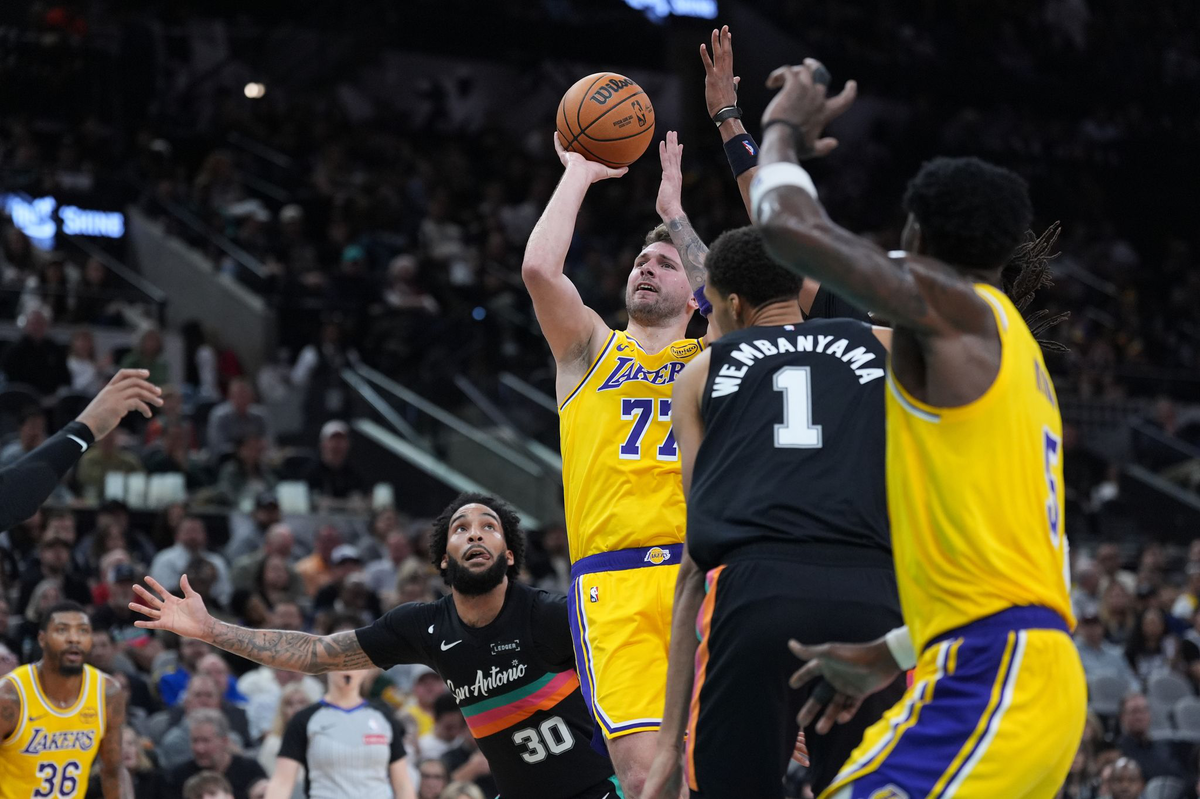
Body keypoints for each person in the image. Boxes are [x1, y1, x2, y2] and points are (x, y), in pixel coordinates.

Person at [754, 60, 1085, 796]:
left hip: (991, 673)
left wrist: (779, 130)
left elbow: (787, 229)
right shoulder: (1013, 355)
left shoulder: (954, 309)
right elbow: (1020, 566)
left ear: (916, 233)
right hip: (1025, 670)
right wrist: (891, 652)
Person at [129, 492, 620, 799]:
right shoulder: (423, 625)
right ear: (443, 560)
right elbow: (316, 654)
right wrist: (212, 631)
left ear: (509, 555)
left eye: (489, 526)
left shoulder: (549, 614)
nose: (475, 533)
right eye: (461, 528)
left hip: (598, 790)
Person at [643, 227, 902, 798]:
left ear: (734, 304)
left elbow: (696, 559)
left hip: (754, 596)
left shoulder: (701, 373)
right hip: (872, 596)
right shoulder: (883, 344)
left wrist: (667, 747)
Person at [521, 117, 721, 791]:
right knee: (642, 780)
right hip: (614, 582)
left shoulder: (715, 353)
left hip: (705, 572)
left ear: (694, 294)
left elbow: (740, 302)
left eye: (665, 263)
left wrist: (675, 219)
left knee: (725, 764)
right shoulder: (590, 349)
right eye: (641, 260)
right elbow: (539, 269)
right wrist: (579, 172)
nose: (646, 266)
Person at [0, 369, 162, 531]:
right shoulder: (10, 455)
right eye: (32, 427)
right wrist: (85, 429)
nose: (36, 432)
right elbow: (10, 496)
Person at [0, 601, 128, 798]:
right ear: (42, 639)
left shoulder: (107, 693)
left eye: (83, 631)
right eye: (62, 630)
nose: (74, 639)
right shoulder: (9, 697)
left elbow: (113, 770)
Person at [265, 642, 415, 799]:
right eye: (340, 661)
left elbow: (403, 784)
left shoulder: (384, 718)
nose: (347, 668)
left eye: (354, 661)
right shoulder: (305, 719)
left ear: (366, 669)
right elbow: (281, 782)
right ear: (326, 666)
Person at [164, 709, 266, 799]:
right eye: (195, 741)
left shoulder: (250, 770)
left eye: (206, 741)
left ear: (224, 741)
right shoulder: (180, 776)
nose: (200, 749)